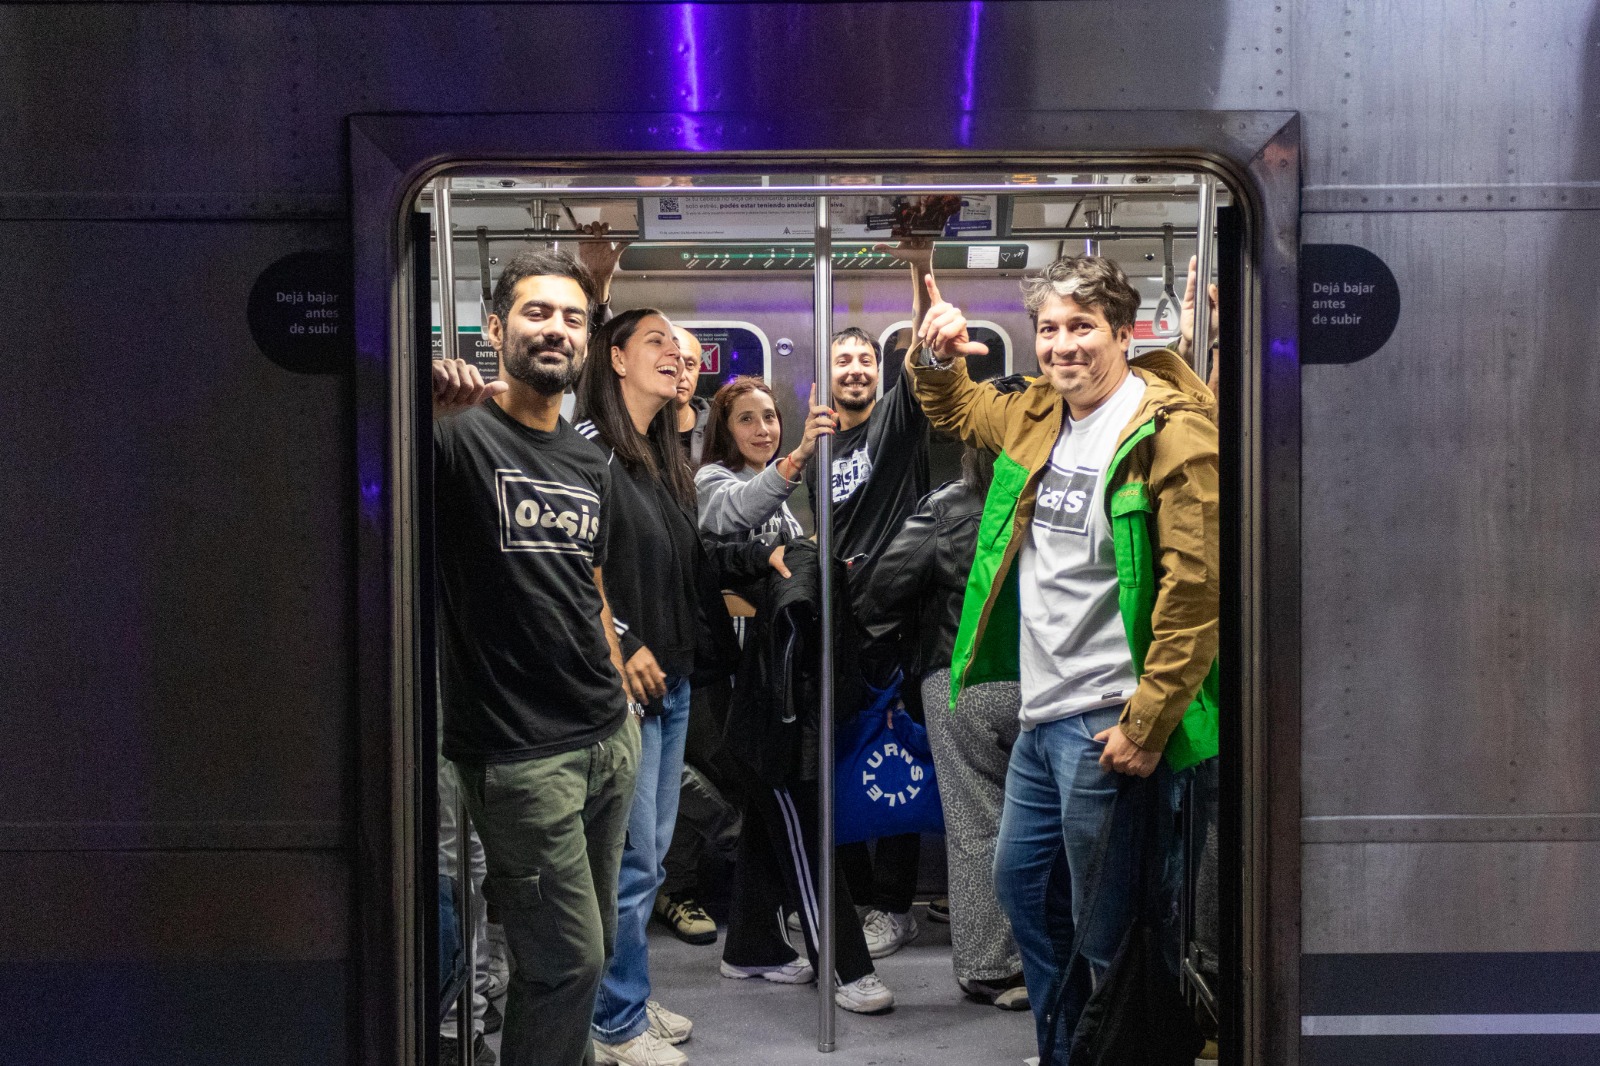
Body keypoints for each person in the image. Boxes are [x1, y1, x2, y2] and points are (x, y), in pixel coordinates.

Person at [908, 255, 1219, 1061]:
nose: (1062, 345)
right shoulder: (1039, 412)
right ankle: (1068, 1047)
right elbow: (956, 407)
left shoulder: (1167, 428)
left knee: (1107, 927)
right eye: (1049, 329)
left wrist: (1148, 723)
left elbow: (1195, 590)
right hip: (1041, 715)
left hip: (1106, 718)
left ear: (1122, 332)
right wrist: (935, 352)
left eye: (1082, 326)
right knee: (1021, 890)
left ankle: (1122, 1050)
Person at [431, 249, 640, 1066]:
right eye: (537, 312)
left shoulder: (588, 461)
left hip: (606, 734)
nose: (556, 329)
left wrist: (618, 678)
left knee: (588, 950)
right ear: (495, 328)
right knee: (567, 960)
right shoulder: (455, 436)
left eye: (572, 318)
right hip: (520, 752)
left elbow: (590, 582)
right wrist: (420, 413)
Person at [575, 311, 787, 1066]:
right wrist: (621, 640)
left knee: (650, 861)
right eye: (656, 343)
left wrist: (760, 559)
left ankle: (625, 994)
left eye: (679, 346)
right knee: (626, 863)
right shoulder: (590, 449)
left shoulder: (661, 459)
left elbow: (689, 562)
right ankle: (613, 1022)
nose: (674, 355)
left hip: (674, 678)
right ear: (616, 358)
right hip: (627, 682)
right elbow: (576, 562)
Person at [695, 376, 895, 1015]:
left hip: (775, 679)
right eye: (746, 419)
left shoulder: (778, 498)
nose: (762, 429)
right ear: (723, 431)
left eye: (770, 417)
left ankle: (752, 944)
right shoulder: (713, 483)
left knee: (770, 817)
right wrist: (799, 458)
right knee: (802, 818)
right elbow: (736, 515)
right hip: (751, 685)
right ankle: (845, 964)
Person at [860, 440, 1029, 1012]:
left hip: (963, 677)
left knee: (976, 827)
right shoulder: (1056, 491)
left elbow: (882, 588)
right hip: (1050, 679)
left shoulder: (948, 507)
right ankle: (1052, 962)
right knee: (1050, 830)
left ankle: (991, 968)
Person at [803, 240, 935, 960]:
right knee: (841, 759)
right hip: (839, 625)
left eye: (864, 361)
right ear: (826, 377)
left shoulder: (893, 423)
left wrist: (919, 265)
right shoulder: (818, 448)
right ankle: (855, 899)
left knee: (898, 757)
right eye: (842, 362)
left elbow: (921, 354)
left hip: (896, 623)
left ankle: (893, 904)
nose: (855, 369)